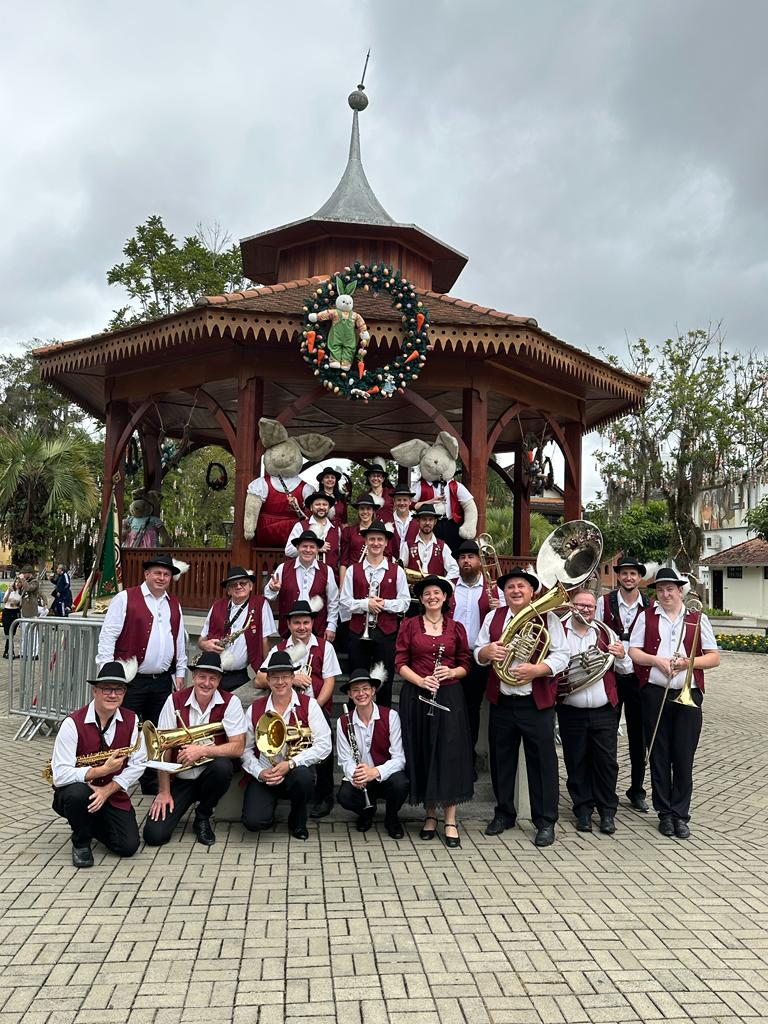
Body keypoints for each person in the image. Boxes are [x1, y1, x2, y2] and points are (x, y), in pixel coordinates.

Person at [474, 567, 570, 847]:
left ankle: (545, 821)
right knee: (502, 761)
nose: (516, 591)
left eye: (522, 587)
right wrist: (487, 652)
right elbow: (478, 652)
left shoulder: (548, 618)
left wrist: (538, 668)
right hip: (502, 701)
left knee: (542, 763)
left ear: (532, 591)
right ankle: (504, 813)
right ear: (504, 592)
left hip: (535, 703)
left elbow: (562, 655)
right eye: (511, 587)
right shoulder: (494, 616)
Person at [629, 567, 719, 839]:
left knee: (683, 757)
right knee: (658, 754)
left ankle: (681, 814)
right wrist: (657, 660)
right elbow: (634, 652)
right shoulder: (646, 617)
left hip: (687, 694)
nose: (665, 594)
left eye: (670, 589)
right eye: (660, 589)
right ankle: (665, 813)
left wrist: (687, 664)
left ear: (680, 591)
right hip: (656, 692)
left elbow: (714, 657)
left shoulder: (696, 618)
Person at [97, 552, 187, 794]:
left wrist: (180, 670)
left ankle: (149, 781)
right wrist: (107, 672)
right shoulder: (125, 598)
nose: (161, 577)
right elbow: (108, 636)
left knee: (155, 733)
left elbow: (177, 639)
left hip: (161, 681)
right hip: (131, 680)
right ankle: (113, 779)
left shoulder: (174, 604)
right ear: (146, 574)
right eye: (157, 573)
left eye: (166, 574)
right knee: (124, 729)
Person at [395, 575, 473, 848]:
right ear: (421, 598)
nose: (431, 597)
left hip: (449, 695)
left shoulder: (456, 628)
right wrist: (421, 680)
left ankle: (449, 819)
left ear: (445, 597)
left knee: (449, 753)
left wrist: (451, 671)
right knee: (423, 749)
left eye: (436, 592)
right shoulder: (409, 625)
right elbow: (400, 662)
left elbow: (466, 663)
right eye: (426, 593)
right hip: (417, 695)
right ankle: (429, 815)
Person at [143, 652, 247, 847]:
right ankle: (180, 802)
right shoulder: (174, 701)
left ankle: (203, 816)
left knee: (223, 767)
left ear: (219, 680)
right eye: (202, 676)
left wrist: (202, 751)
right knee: (154, 836)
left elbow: (238, 747)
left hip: (210, 775)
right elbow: (163, 751)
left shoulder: (230, 702)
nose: (206, 683)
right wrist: (164, 791)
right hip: (180, 779)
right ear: (194, 677)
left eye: (213, 678)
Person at [50, 661, 146, 867]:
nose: (113, 694)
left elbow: (139, 763)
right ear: (95, 690)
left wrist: (108, 789)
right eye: (106, 689)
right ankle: (81, 843)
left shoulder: (132, 721)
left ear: (125, 692)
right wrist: (100, 771)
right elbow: (59, 775)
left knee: (128, 846)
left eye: (119, 689)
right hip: (78, 792)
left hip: (111, 793)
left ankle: (86, 821)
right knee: (77, 795)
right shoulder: (72, 723)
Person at [255, 600, 342, 819]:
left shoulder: (325, 647)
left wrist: (315, 707)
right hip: (285, 708)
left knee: (324, 751)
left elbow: (330, 681)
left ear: (313, 623)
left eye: (306, 622)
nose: (301, 627)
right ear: (289, 625)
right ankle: (278, 790)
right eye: (296, 623)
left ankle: (324, 796)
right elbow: (259, 678)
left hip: (314, 706)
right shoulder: (279, 648)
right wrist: (292, 680)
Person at [557, 589, 633, 835]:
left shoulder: (606, 633)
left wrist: (621, 656)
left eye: (590, 606)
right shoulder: (559, 631)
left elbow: (625, 669)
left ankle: (607, 811)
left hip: (604, 710)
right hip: (571, 710)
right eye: (580, 605)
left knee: (607, 763)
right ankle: (583, 810)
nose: (585, 610)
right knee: (576, 761)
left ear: (595, 608)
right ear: (572, 607)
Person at [241, 650, 332, 840]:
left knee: (304, 777)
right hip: (265, 774)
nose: (280, 681)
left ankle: (297, 820)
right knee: (253, 823)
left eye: (285, 676)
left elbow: (324, 745)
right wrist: (259, 772)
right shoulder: (255, 708)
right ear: (268, 679)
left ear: (292, 678)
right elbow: (245, 749)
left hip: (294, 772)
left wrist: (291, 764)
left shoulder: (310, 705)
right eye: (274, 677)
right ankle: (268, 808)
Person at [596, 556, 652, 811]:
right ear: (618, 576)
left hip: (639, 677)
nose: (629, 578)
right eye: (624, 573)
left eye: (633, 574)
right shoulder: (603, 602)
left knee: (638, 736)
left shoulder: (650, 606)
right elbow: (595, 631)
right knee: (607, 735)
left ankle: (637, 789)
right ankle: (607, 790)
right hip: (612, 675)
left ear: (640, 577)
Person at [340, 519, 410, 708]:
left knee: (384, 685)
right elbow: (344, 602)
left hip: (386, 634)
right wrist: (366, 604)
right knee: (356, 682)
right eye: (372, 539)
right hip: (358, 633)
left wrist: (384, 604)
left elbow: (405, 603)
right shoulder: (354, 570)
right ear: (365, 541)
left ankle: (384, 724)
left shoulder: (397, 571)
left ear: (386, 542)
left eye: (380, 539)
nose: (376, 543)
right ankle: (354, 724)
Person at [336, 667, 408, 838]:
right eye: (355, 690)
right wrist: (356, 774)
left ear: (373, 691)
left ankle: (392, 817)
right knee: (344, 796)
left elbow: (400, 758)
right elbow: (345, 759)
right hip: (362, 779)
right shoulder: (343, 722)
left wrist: (375, 772)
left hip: (384, 776)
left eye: (365, 688)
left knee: (401, 783)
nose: (361, 693)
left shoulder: (391, 716)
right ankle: (366, 812)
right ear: (350, 695)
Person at [450, 540, 500, 768]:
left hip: (479, 656)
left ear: (480, 561)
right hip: (451, 656)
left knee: (472, 708)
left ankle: (468, 758)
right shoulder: (448, 586)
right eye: (462, 557)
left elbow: (503, 622)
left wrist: (497, 609)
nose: (466, 561)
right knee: (450, 706)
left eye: (471, 556)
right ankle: (451, 757)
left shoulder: (493, 589)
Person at [198, 565, 276, 692]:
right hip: (213, 673)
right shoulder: (217, 606)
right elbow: (201, 639)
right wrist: (205, 645)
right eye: (233, 584)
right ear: (228, 590)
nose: (239, 586)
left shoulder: (260, 604)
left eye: (243, 583)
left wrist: (266, 671)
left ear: (250, 586)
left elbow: (265, 640)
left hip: (239, 676)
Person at [265, 530, 339, 640]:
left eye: (312, 547)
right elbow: (268, 595)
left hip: (317, 629)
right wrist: (273, 589)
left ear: (317, 549)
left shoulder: (327, 570)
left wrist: (331, 626)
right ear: (297, 548)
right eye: (304, 546)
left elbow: (333, 601)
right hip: (289, 630)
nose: (308, 550)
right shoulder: (283, 568)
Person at [286, 492, 343, 576]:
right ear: (311, 508)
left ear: (329, 508)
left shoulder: (337, 529)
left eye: (324, 504)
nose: (321, 507)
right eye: (317, 504)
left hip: (331, 578)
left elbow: (339, 555)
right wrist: (316, 548)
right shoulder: (300, 526)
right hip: (305, 576)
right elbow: (288, 551)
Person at [401, 505, 459, 584]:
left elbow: (454, 569)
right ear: (418, 521)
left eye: (430, 520)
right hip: (413, 593)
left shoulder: (442, 546)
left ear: (435, 522)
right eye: (424, 519)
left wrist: (442, 583)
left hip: (435, 594)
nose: (427, 523)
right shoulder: (407, 545)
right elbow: (400, 570)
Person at [340, 493, 378, 584]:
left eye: (368, 508)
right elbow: (344, 562)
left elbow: (386, 558)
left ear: (373, 511)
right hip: (353, 577)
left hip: (375, 578)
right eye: (362, 508)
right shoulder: (348, 531)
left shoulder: (381, 532)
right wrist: (342, 586)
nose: (365, 512)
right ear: (358, 511)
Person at [385, 485, 418, 553]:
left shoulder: (417, 521)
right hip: (391, 562)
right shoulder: (386, 521)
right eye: (399, 500)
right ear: (394, 501)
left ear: (410, 501)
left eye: (405, 500)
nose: (402, 503)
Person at [2, 577, 23, 658]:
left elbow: (20, 604)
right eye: (16, 582)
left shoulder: (21, 592)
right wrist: (8, 593)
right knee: (8, 632)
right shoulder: (10, 590)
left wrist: (17, 604)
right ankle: (10, 651)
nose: (17, 583)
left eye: (19, 582)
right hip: (7, 611)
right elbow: (4, 601)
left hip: (15, 612)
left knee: (12, 633)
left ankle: (8, 651)